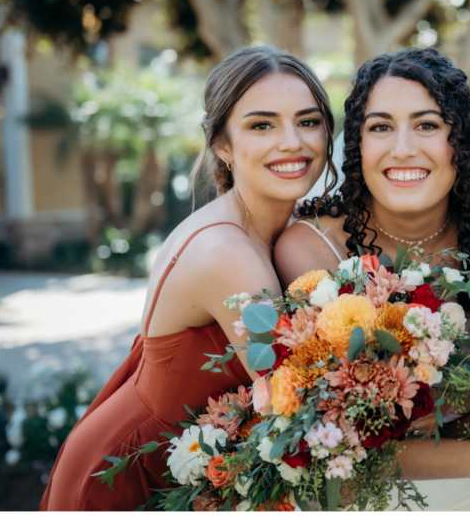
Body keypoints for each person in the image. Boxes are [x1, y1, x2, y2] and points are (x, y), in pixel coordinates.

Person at [274, 47, 470, 511]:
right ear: (357, 144)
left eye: (427, 125)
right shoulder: (309, 250)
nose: (403, 148)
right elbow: (338, 443)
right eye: (380, 127)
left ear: (460, 139)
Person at [40, 46, 336, 510]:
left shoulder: (281, 228)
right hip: (133, 471)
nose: (292, 141)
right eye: (262, 125)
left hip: (195, 469)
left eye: (308, 121)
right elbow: (298, 399)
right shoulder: (226, 252)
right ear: (221, 145)